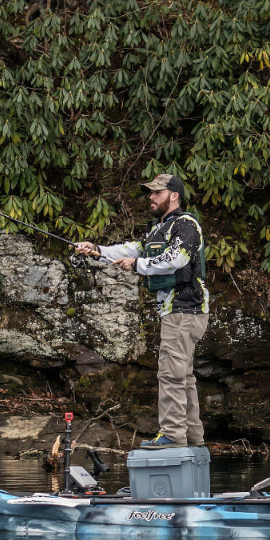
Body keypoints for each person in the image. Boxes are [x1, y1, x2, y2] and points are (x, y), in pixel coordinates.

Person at [72, 174, 209, 449]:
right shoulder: (157, 230)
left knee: (171, 374)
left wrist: (137, 265)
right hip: (177, 312)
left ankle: (171, 436)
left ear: (174, 195)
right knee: (184, 376)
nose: (151, 196)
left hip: (185, 308)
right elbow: (129, 249)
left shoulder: (186, 225)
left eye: (157, 192)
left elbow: (177, 259)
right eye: (150, 192)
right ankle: (193, 438)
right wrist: (95, 249)